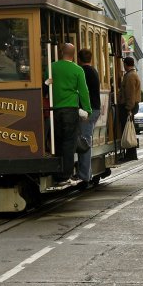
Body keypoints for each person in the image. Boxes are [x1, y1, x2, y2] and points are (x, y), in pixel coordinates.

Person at [50, 43, 92, 181]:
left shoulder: (52, 67)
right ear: (73, 55)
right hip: (70, 110)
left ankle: (56, 171)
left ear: (61, 52)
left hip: (54, 110)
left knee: (56, 141)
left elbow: (46, 84)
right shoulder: (77, 69)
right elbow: (84, 92)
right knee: (69, 143)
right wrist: (87, 110)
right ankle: (65, 175)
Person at [77, 48, 101, 185]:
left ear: (79, 60)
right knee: (85, 141)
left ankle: (84, 177)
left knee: (85, 143)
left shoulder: (82, 72)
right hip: (95, 109)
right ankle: (87, 174)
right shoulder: (94, 71)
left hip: (88, 111)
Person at [119, 56, 141, 162]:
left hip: (129, 106)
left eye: (124, 64)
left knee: (128, 129)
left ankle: (130, 154)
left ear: (126, 65)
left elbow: (130, 94)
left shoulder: (130, 76)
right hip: (132, 105)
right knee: (130, 129)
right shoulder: (133, 74)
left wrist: (129, 108)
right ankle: (131, 153)